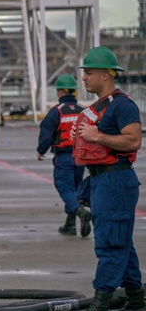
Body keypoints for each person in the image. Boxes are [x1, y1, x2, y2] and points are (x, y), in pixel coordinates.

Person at [67, 46, 143, 311]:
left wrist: (97, 136)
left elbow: (133, 141)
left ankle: (100, 307)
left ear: (105, 75)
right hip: (102, 180)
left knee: (111, 244)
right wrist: (81, 136)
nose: (84, 78)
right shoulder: (98, 108)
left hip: (115, 181)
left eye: (88, 72)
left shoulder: (122, 105)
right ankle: (136, 303)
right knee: (122, 243)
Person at [36, 74, 88, 235]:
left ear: (60, 93)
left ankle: (80, 212)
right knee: (75, 188)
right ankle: (70, 224)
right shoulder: (82, 111)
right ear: (74, 92)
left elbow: (47, 134)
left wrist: (40, 151)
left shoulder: (57, 112)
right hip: (80, 157)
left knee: (64, 187)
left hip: (64, 156)